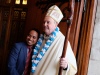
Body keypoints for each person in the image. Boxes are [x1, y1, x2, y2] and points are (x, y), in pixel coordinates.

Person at [30, 5, 77, 75]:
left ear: (56, 24)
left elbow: (73, 68)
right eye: (44, 22)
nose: (45, 24)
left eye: (48, 22)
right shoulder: (41, 38)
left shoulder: (62, 41)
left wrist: (66, 66)